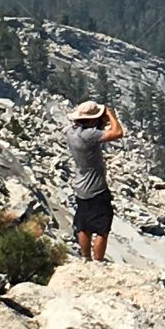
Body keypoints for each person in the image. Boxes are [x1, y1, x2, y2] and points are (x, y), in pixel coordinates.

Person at [67, 99, 123, 261]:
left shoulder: (71, 132)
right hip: (96, 188)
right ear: (91, 120)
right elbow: (118, 132)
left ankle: (85, 258)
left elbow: (89, 127)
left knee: (83, 225)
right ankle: (98, 262)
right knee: (102, 228)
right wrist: (110, 115)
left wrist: (97, 121)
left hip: (80, 186)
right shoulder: (89, 135)